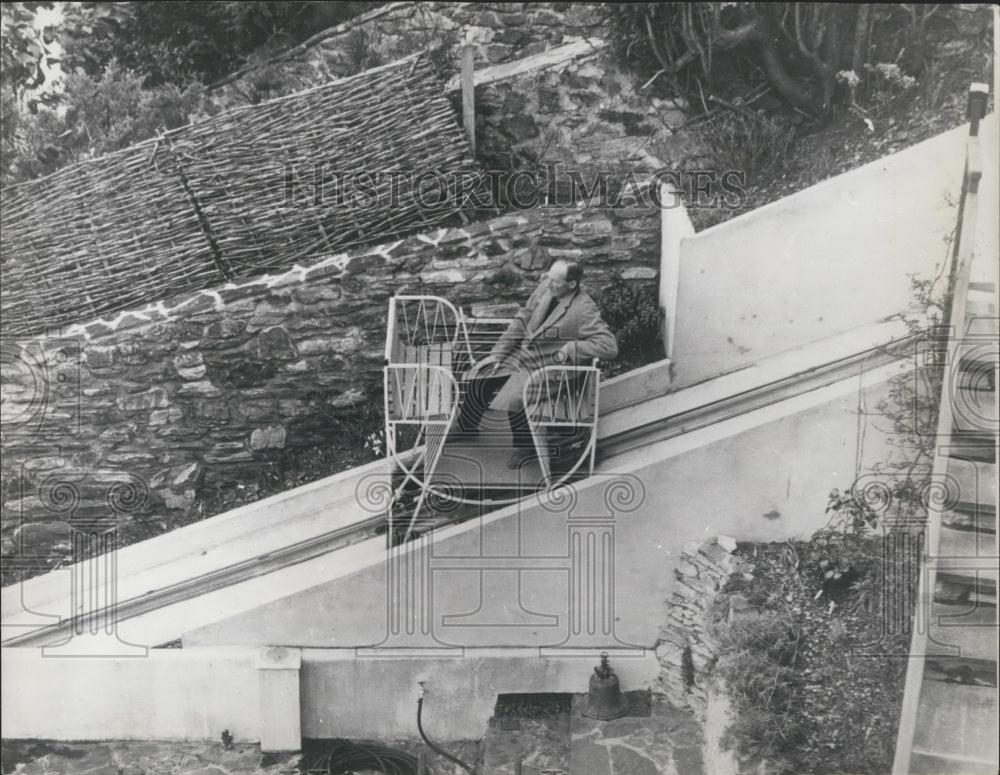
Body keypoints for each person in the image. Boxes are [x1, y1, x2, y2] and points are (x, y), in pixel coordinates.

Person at [450, 259, 618, 468]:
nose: (548, 284)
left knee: (514, 399)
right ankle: (466, 428)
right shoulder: (546, 287)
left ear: (572, 284)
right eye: (549, 278)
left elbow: (609, 346)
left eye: (555, 281)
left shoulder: (584, 309)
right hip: (526, 357)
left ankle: (525, 446)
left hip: (550, 369)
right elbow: (523, 319)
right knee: (481, 375)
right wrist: (498, 354)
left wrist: (572, 349)